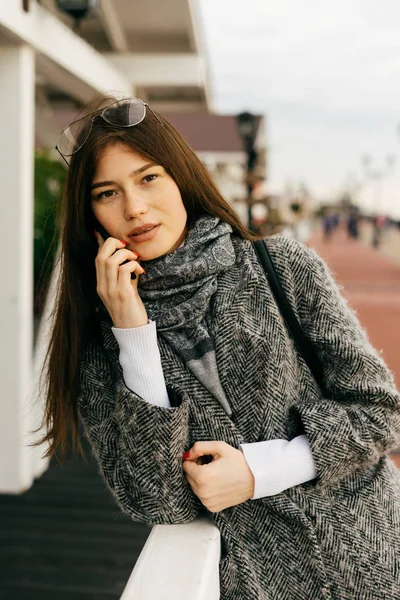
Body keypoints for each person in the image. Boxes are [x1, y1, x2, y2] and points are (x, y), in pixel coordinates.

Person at [35, 96, 400, 600]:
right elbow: (157, 500)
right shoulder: (100, 342)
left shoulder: (281, 267)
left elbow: (382, 412)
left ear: (181, 178)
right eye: (106, 192)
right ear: (91, 216)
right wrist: (133, 335)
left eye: (148, 178)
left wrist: (260, 471)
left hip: (375, 552)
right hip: (260, 585)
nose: (135, 208)